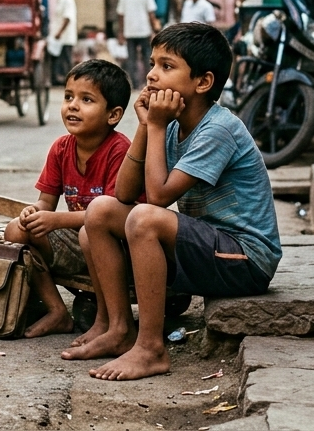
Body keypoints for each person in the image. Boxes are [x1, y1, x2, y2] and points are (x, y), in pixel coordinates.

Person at [61, 23, 280, 380]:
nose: (151, 75)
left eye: (166, 66)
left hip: (245, 260)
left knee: (144, 219)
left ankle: (151, 349)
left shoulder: (218, 129)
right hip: (207, 248)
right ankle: (118, 328)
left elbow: (158, 198)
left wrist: (157, 125)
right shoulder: (173, 124)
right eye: (152, 64)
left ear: (202, 82)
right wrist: (146, 126)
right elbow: (123, 194)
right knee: (98, 214)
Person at [4, 60, 132, 338]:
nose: (73, 106)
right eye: (68, 97)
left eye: (87, 100)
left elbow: (112, 215)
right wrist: (33, 212)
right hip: (75, 240)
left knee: (89, 233)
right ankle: (57, 311)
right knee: (16, 230)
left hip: (114, 245)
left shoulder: (120, 150)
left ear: (113, 115)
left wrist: (56, 220)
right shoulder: (61, 148)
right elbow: (45, 203)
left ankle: (107, 318)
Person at [115, 0, 159, 89]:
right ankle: (148, 82)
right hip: (144, 30)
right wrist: (154, 29)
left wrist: (121, 32)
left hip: (130, 31)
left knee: (132, 58)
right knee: (147, 57)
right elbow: (151, 14)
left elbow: (120, 15)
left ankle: (134, 84)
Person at [47, 0, 78, 82]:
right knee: (59, 60)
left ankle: (69, 81)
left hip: (65, 37)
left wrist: (60, 32)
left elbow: (67, 18)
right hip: (60, 38)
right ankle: (58, 80)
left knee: (66, 61)